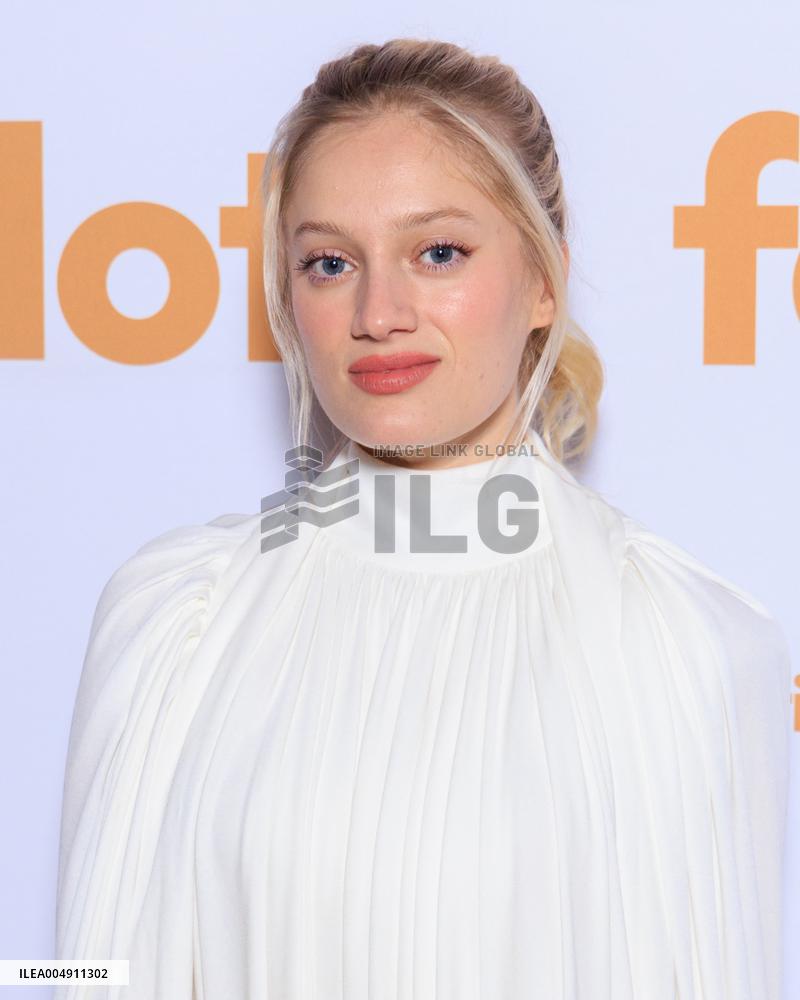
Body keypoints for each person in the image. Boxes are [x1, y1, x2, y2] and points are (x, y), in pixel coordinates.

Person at [55, 37, 792, 1000]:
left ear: (544, 282)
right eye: (329, 263)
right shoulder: (174, 623)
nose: (379, 311)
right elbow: (93, 968)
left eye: (438, 252)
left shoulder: (682, 645)